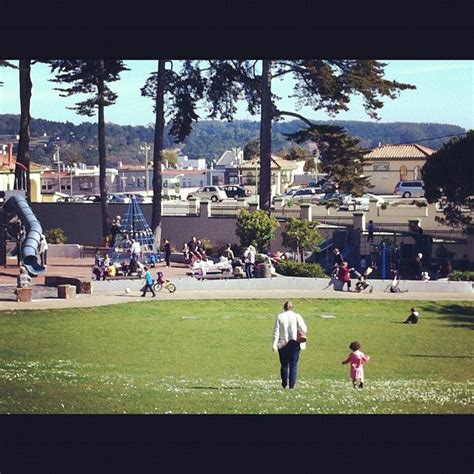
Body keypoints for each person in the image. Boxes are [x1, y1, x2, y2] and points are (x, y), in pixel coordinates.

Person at [272, 301, 308, 389]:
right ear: (293, 308)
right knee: (293, 364)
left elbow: (276, 331)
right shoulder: (297, 316)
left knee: (284, 364)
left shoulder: (280, 316)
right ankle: (292, 385)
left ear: (284, 308)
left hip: (283, 343)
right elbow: (305, 329)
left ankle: (284, 384)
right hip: (294, 343)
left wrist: (274, 344)